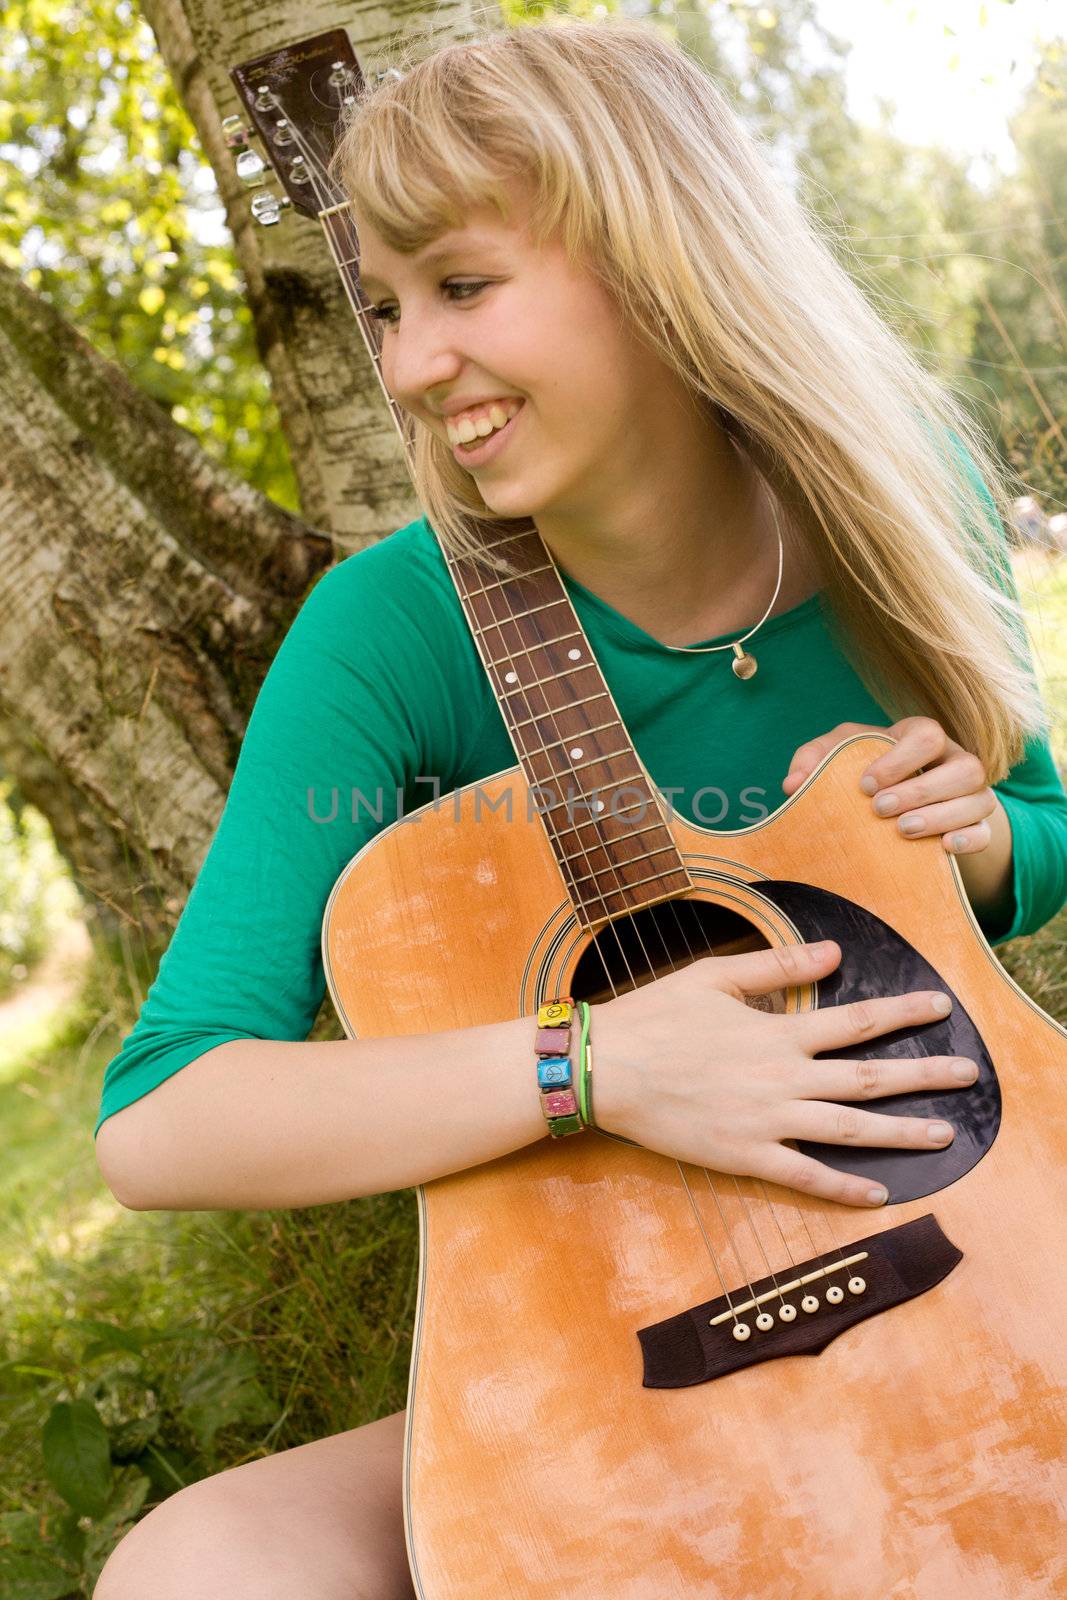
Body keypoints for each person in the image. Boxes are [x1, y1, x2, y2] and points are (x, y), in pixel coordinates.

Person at [92, 15, 1067, 1600]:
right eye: (390, 312)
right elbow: (159, 1119)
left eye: (461, 289)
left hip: (961, 1226)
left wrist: (974, 835)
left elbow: (1037, 827)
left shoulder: (904, 487)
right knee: (196, 1568)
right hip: (625, 1343)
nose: (410, 366)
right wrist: (595, 1067)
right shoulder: (388, 630)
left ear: (658, 255)